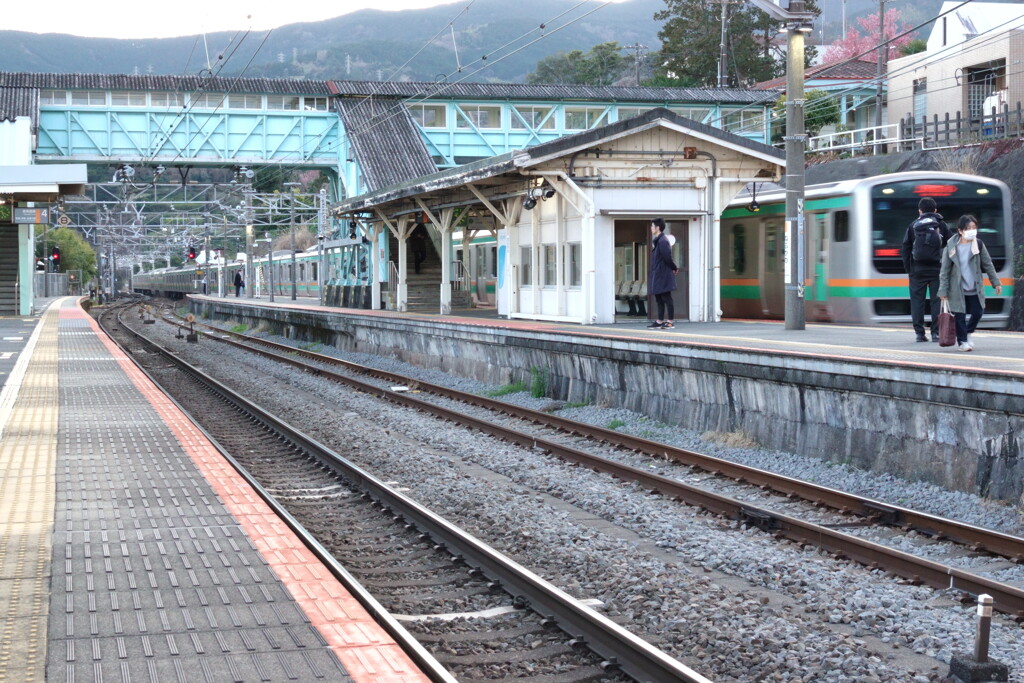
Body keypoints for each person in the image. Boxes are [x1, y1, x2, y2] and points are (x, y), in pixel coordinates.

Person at [938, 214, 1002, 352]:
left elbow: (988, 264)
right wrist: (943, 290)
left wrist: (996, 282)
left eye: (974, 227)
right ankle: (962, 342)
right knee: (959, 316)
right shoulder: (951, 246)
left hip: (974, 286)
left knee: (978, 312)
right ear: (960, 230)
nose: (972, 231)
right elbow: (944, 270)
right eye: (968, 228)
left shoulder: (978, 244)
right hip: (957, 288)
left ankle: (967, 333)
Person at [901, 196, 951, 342]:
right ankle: (935, 333)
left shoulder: (913, 225)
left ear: (920, 211)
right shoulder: (941, 224)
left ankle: (919, 334)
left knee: (917, 301)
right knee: (936, 301)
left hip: (917, 270)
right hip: (937, 268)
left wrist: (908, 268)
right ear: (935, 210)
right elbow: (951, 243)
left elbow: (905, 247)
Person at [647, 217, 678, 329]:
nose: (651, 228)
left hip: (663, 274)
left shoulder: (663, 241)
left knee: (666, 297)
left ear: (657, 228)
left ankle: (670, 321)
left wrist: (674, 267)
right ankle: (660, 321)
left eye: (652, 226)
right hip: (659, 273)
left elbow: (667, 257)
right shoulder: (659, 240)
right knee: (659, 298)